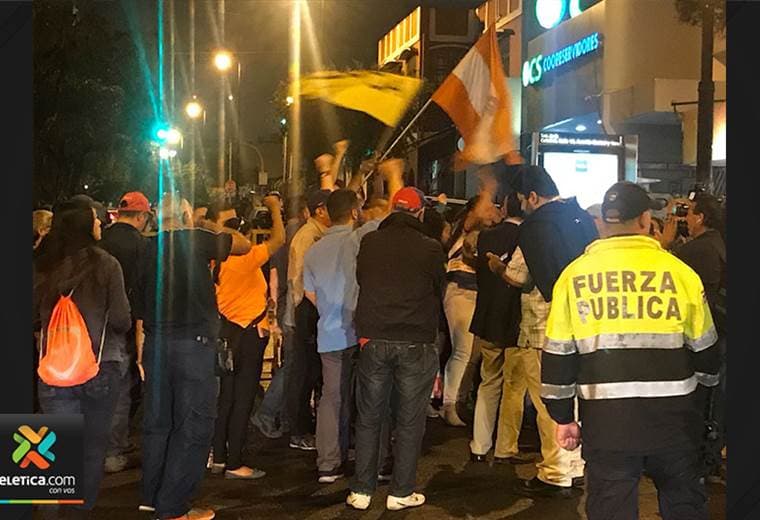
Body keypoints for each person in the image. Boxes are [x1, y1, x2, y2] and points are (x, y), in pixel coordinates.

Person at [542, 181, 720, 519]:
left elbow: (557, 356)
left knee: (611, 506)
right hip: (675, 422)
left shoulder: (574, 277)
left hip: (607, 425)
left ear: (603, 222)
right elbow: (707, 355)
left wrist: (563, 417)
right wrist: (701, 403)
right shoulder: (680, 274)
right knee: (684, 504)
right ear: (645, 219)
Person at [137, 193, 252, 520]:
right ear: (187, 216)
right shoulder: (197, 239)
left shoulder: (146, 248)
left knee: (158, 424)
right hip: (193, 345)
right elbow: (243, 244)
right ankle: (174, 507)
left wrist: (140, 350)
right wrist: (207, 224)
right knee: (194, 426)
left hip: (156, 343)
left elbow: (139, 307)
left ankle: (152, 497)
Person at [488, 165, 594, 497]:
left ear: (532, 196)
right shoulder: (581, 218)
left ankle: (555, 471)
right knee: (573, 400)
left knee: (548, 401)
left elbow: (519, 276)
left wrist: (497, 267)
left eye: (523, 199)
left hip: (543, 327)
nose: (523, 205)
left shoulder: (534, 227)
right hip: (583, 322)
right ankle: (574, 465)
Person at [347, 183, 445, 512]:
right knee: (409, 419)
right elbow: (439, 287)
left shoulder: (370, 242)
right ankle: (400, 491)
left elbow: (362, 279)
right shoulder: (430, 248)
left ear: (392, 209)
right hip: (415, 339)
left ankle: (362, 490)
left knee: (369, 416)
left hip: (374, 337)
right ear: (419, 212)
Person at [33, 198, 132, 513]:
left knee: (52, 447)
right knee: (91, 450)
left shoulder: (43, 265)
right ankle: (78, 513)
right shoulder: (106, 265)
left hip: (53, 369)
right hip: (99, 366)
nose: (100, 223)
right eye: (96, 219)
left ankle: (49, 511)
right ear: (85, 226)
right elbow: (121, 320)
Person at [209, 195, 285, 480]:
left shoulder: (215, 262)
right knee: (243, 398)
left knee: (226, 398)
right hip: (249, 334)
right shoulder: (246, 257)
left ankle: (219, 457)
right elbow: (279, 239)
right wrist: (275, 208)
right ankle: (235, 462)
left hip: (226, 332)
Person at [663, 192, 727, 479]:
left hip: (706, 335)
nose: (683, 218)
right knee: (716, 399)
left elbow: (667, 276)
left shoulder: (698, 249)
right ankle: (709, 454)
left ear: (700, 218)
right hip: (720, 332)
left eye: (688, 213)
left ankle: (700, 459)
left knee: (702, 399)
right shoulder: (716, 243)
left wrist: (664, 245)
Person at [469, 193, 529, 464]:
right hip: (516, 320)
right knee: (514, 386)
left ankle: (479, 444)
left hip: (488, 317)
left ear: (504, 209)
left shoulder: (486, 236)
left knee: (488, 380)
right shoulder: (529, 236)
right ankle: (505, 447)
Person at [99, 191, 151, 474]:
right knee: (121, 388)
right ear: (141, 216)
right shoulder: (143, 246)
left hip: (93, 326)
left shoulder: (100, 241)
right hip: (125, 324)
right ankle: (113, 450)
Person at [440, 180, 499, 427]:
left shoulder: (479, 234)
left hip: (468, 292)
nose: (493, 211)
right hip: (461, 291)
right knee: (463, 351)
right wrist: (488, 187)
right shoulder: (466, 231)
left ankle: (457, 401)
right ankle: (449, 405)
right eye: (489, 207)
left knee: (469, 352)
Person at [251, 194, 309, 439]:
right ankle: (268, 412)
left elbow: (274, 278)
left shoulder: (285, 235)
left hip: (285, 305)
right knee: (293, 366)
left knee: (291, 364)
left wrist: (274, 313)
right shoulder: (305, 235)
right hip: (297, 307)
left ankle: (282, 416)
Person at [285, 188, 332, 451]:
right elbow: (302, 279)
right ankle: (299, 430)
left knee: (313, 371)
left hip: (314, 307)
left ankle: (308, 426)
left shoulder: (320, 234)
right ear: (319, 210)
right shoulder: (308, 236)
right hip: (309, 307)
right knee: (305, 372)